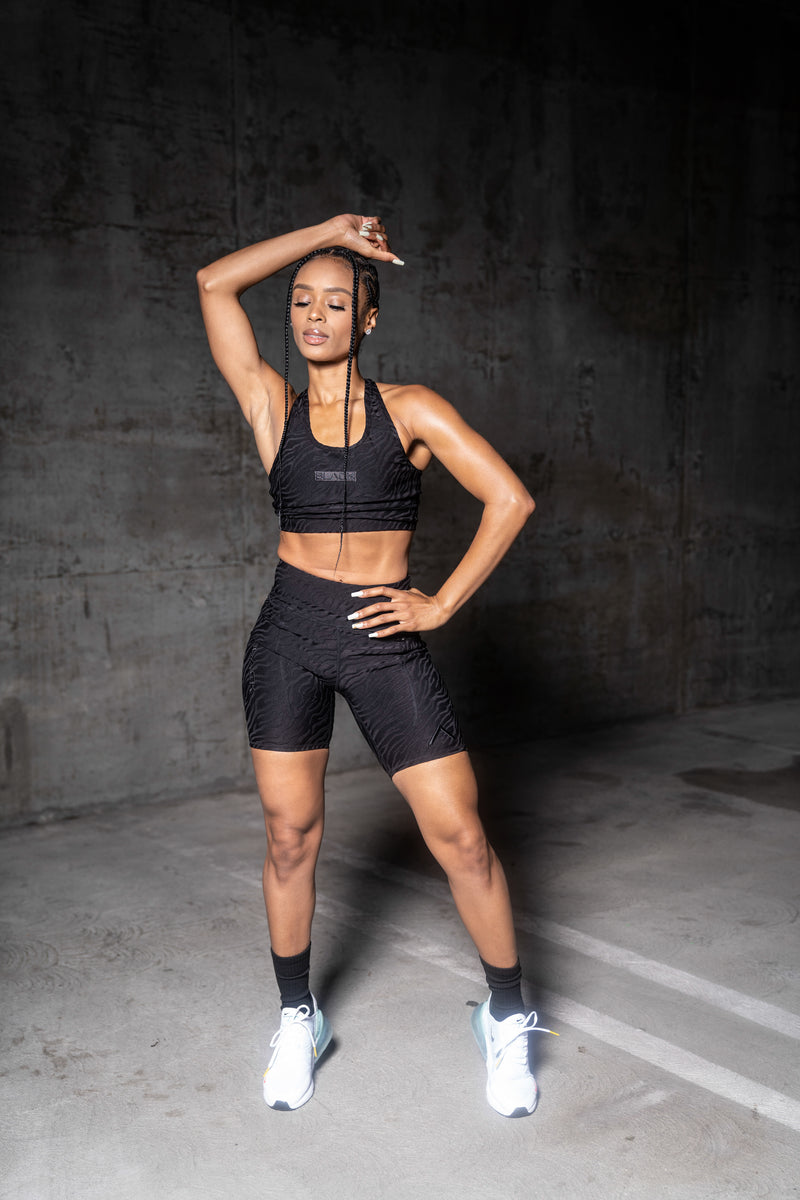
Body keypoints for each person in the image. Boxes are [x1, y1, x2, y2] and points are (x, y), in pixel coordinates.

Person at [196, 213, 554, 1118]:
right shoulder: (272, 406)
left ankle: (506, 1016)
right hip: (290, 634)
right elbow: (212, 284)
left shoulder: (412, 409)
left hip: (383, 639)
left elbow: (510, 500)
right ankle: (297, 1016)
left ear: (368, 319)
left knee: (461, 837)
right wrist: (326, 232)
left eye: (336, 302)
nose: (314, 316)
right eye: (301, 302)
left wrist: (441, 604)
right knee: (290, 836)